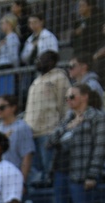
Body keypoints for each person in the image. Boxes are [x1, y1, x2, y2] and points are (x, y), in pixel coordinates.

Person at [45, 83, 105, 203]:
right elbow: (49, 143)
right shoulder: (68, 118)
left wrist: (92, 175)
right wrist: (67, 127)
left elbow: (100, 148)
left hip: (81, 174)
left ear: (84, 97)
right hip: (60, 171)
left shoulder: (96, 117)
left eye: (72, 97)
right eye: (66, 98)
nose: (68, 100)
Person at [25, 52, 70, 183]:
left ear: (52, 61)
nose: (38, 61)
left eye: (41, 59)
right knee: (36, 172)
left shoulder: (59, 77)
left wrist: (62, 127)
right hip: (32, 133)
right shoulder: (37, 80)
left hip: (49, 131)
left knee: (49, 169)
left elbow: (65, 103)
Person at [0, 95, 35, 182]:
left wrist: (22, 181)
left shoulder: (22, 127)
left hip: (15, 177)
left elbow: (27, 156)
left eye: (2, 107)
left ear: (13, 108)